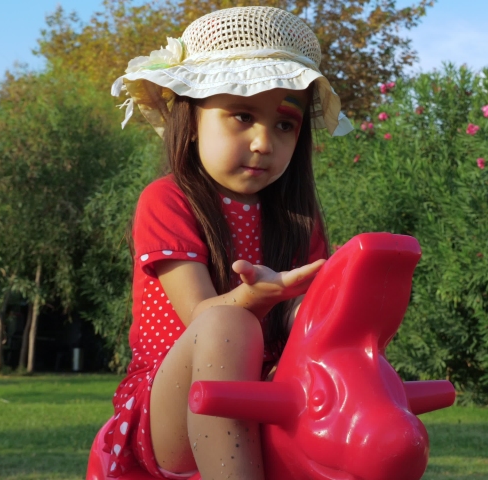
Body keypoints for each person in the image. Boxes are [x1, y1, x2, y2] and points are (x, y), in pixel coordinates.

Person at [104, 6, 353, 479]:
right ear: (190, 118)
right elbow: (201, 315)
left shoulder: (297, 218)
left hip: (270, 393)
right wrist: (252, 299)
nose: (264, 141)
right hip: (171, 402)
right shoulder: (168, 200)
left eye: (285, 124)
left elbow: (309, 323)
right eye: (242, 115)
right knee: (227, 323)